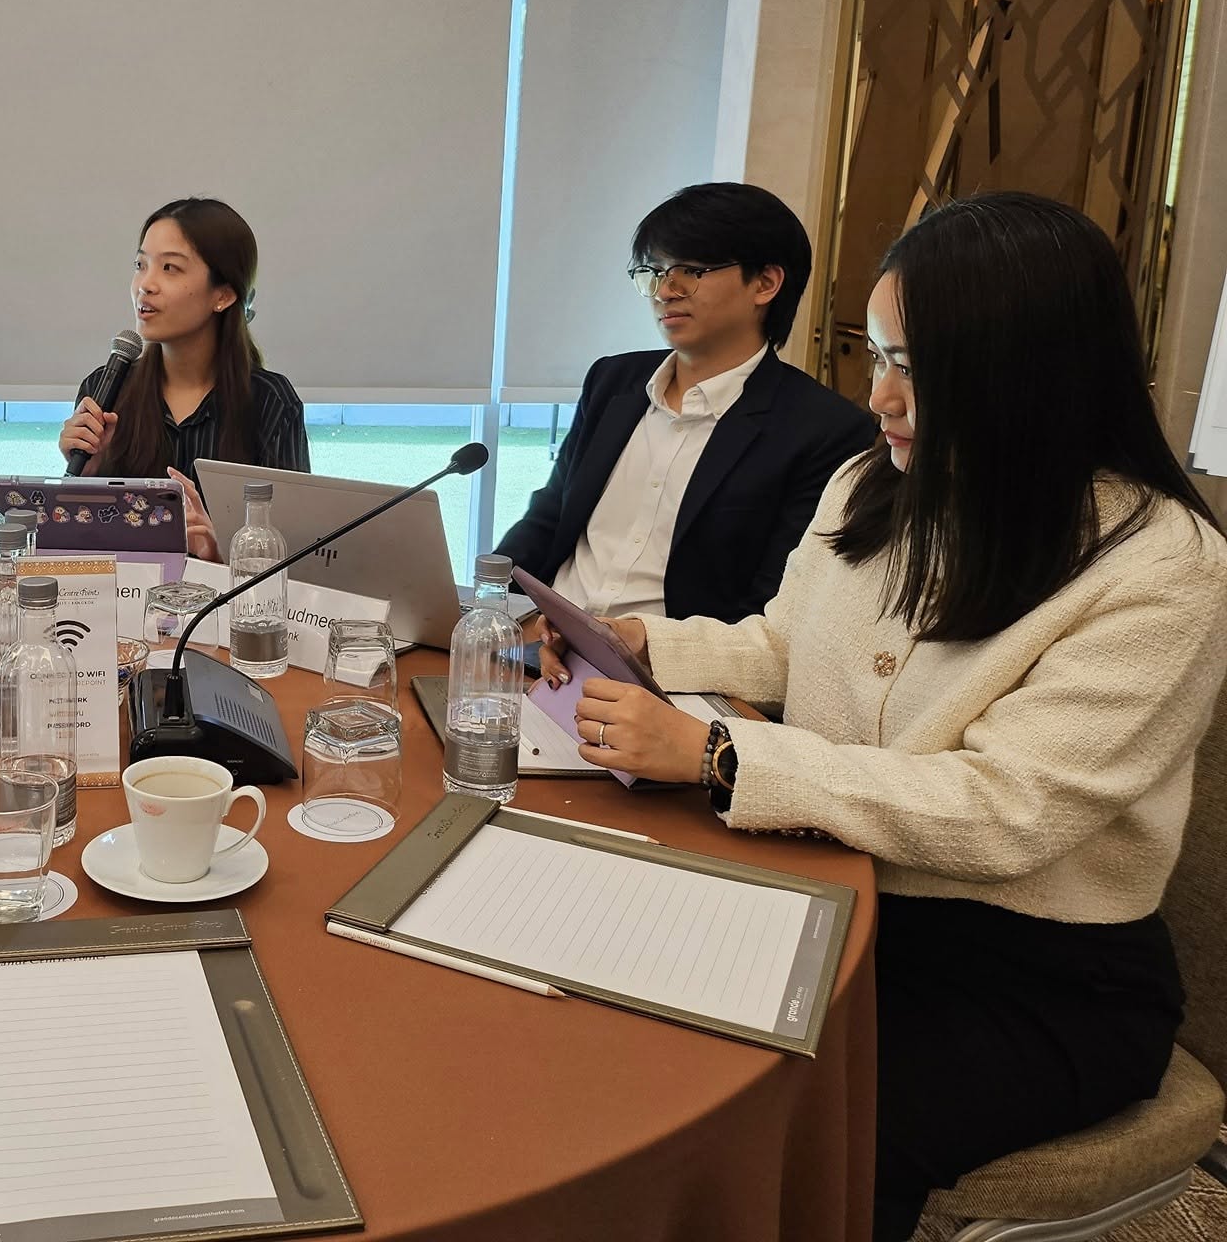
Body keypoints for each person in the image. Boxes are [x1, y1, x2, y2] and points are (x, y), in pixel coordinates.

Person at [562, 193, 1227, 1241]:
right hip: (837, 886)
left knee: (786, 1129)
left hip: (1027, 971)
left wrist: (722, 756)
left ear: (1031, 369)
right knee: (624, 1021)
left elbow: (1005, 808)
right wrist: (649, 644)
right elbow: (786, 646)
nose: (878, 396)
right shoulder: (874, 481)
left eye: (917, 367)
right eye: (876, 356)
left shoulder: (1158, 564)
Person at [496, 183, 875, 683]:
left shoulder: (825, 431)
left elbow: (771, 611)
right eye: (653, 271)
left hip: (663, 682)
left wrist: (630, 649)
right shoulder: (613, 380)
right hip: (539, 652)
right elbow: (550, 518)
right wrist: (491, 609)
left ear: (765, 283)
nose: (664, 290)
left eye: (690, 271)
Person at [58, 197, 308, 559]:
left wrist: (218, 555)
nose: (145, 285)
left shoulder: (270, 401)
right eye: (141, 265)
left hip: (229, 595)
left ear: (223, 295)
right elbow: (78, 544)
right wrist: (87, 474)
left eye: (169, 268)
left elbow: (295, 555)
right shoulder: (105, 389)